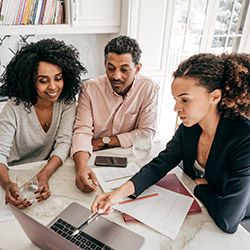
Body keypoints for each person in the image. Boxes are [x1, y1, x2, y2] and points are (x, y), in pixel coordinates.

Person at [91, 53, 250, 234]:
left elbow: (228, 220)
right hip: (200, 213)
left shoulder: (244, 138)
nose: (176, 108)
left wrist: (200, 188)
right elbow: (159, 165)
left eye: (185, 100)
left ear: (214, 97)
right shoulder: (189, 128)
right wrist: (116, 195)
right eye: (175, 100)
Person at [0, 38, 86, 208]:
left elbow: (64, 141)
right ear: (30, 81)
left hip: (46, 169)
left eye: (58, 78)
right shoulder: (14, 107)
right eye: (43, 80)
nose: (53, 87)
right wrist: (7, 184)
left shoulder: (67, 102)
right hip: (12, 172)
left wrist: (44, 175)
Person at [71, 35, 159, 193]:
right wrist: (81, 168)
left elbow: (146, 133)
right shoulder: (89, 88)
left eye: (124, 69)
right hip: (92, 157)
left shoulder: (148, 88)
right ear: (105, 65)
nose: (116, 76)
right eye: (110, 68)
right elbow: (82, 131)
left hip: (131, 161)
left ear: (137, 68)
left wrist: (105, 141)